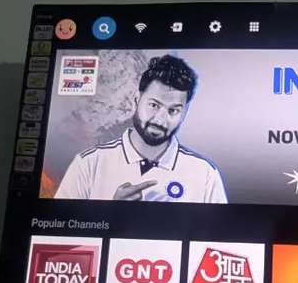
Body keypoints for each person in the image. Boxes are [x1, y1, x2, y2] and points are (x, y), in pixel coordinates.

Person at [55, 54, 227, 203]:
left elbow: (220, 231)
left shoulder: (205, 174)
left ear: (184, 113)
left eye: (173, 110)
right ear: (136, 100)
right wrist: (111, 210)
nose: (160, 120)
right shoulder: (88, 164)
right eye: (154, 105)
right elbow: (59, 226)